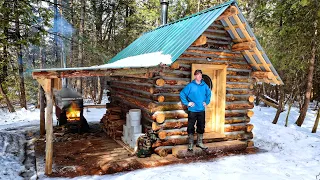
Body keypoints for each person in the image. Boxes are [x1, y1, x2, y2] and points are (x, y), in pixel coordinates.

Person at [180, 69, 211, 151]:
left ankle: (199, 142)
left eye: (200, 75)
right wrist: (187, 103)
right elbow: (182, 93)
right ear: (195, 76)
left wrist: (206, 102)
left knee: (201, 126)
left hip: (201, 110)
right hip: (192, 110)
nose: (199, 76)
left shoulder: (205, 86)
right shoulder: (190, 86)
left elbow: (209, 94)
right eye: (197, 75)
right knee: (190, 127)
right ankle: (190, 144)